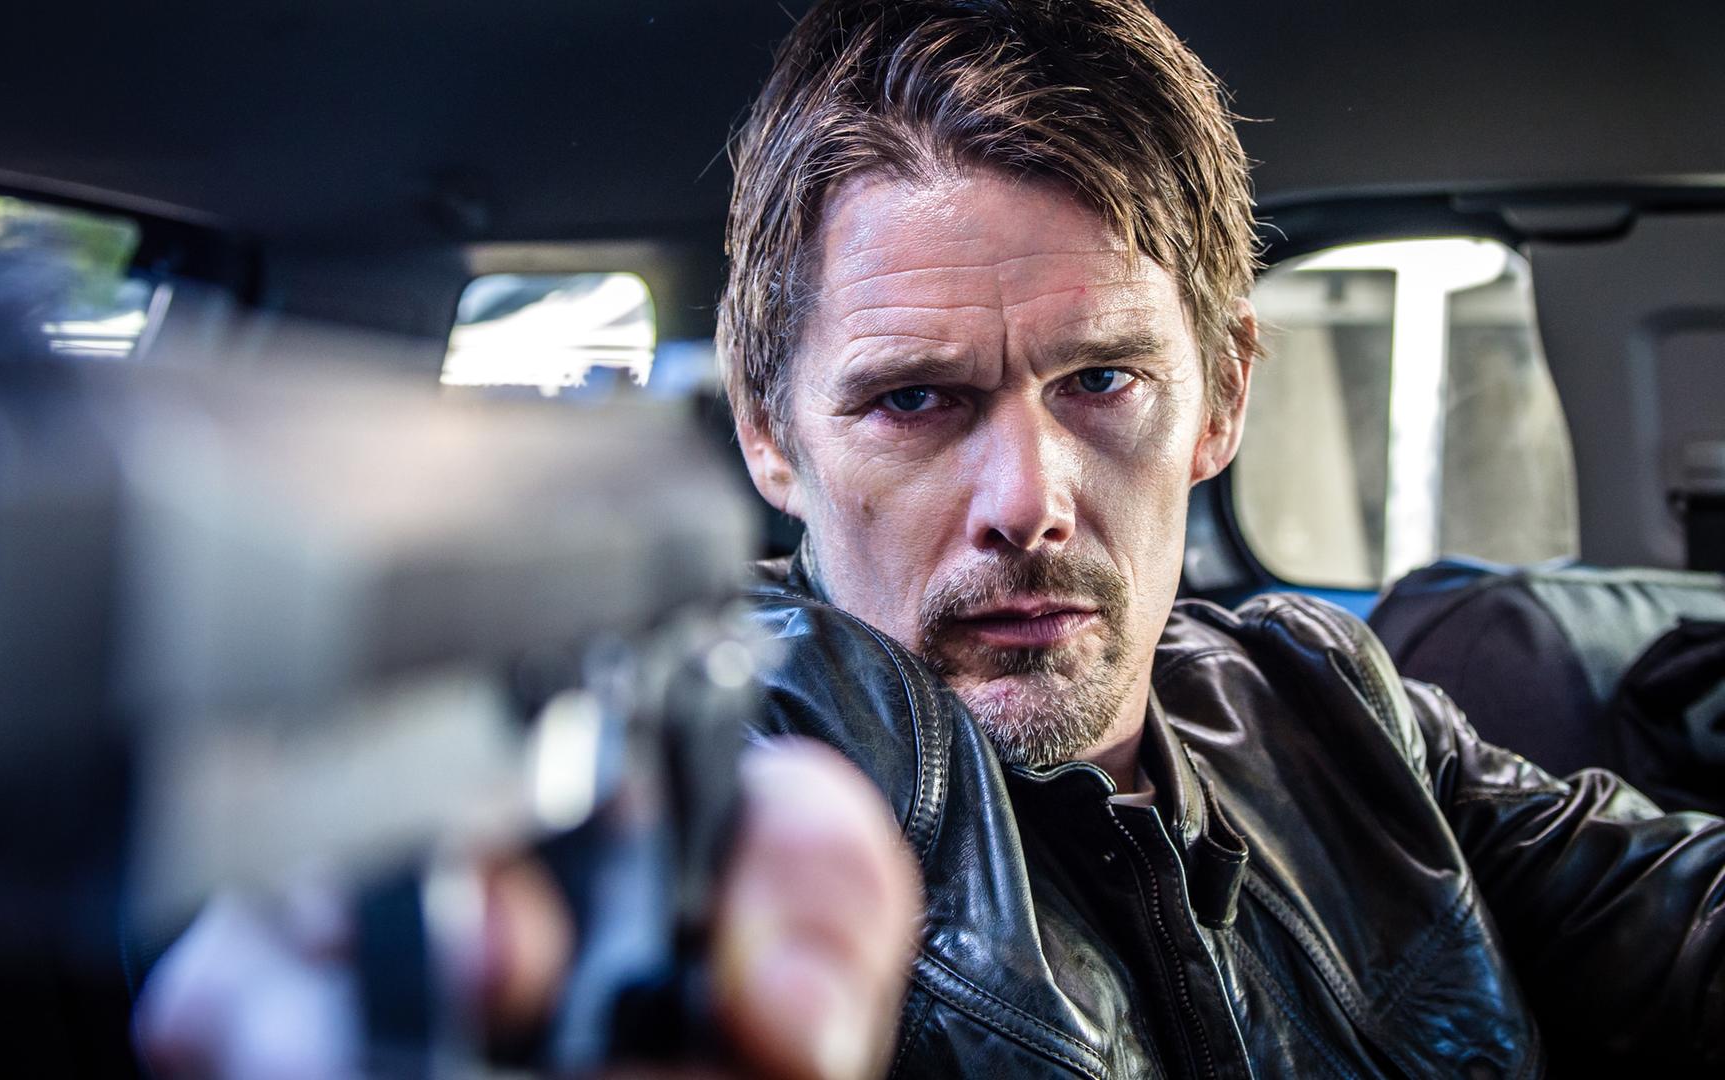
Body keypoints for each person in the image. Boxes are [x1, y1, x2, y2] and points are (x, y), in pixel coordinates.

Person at [142, 1, 1725, 1076]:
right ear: (771, 434)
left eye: (1102, 382)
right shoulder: (750, 757)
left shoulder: (1330, 699)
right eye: (914, 400)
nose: (1026, 499)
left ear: (1225, 395)